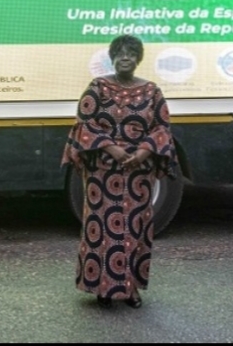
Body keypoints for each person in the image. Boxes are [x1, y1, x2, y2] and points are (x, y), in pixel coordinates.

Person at [61, 34, 178, 309]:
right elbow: (85, 124)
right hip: (103, 172)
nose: (125, 57)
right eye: (120, 53)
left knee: (134, 228)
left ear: (138, 59)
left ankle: (131, 289)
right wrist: (113, 149)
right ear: (112, 58)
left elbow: (162, 128)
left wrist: (142, 153)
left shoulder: (152, 91)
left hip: (138, 174)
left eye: (131, 53)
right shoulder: (98, 87)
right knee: (102, 230)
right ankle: (103, 289)